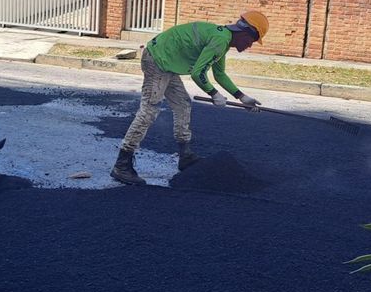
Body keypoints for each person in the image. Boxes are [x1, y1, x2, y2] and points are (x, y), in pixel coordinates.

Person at [110, 11, 270, 185]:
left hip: (168, 63)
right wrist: (213, 94)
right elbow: (198, 73)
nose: (250, 46)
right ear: (246, 32)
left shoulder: (223, 38)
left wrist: (242, 97)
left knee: (183, 104)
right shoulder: (221, 39)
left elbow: (220, 74)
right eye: (252, 41)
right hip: (157, 60)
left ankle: (185, 156)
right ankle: (122, 164)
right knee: (149, 110)